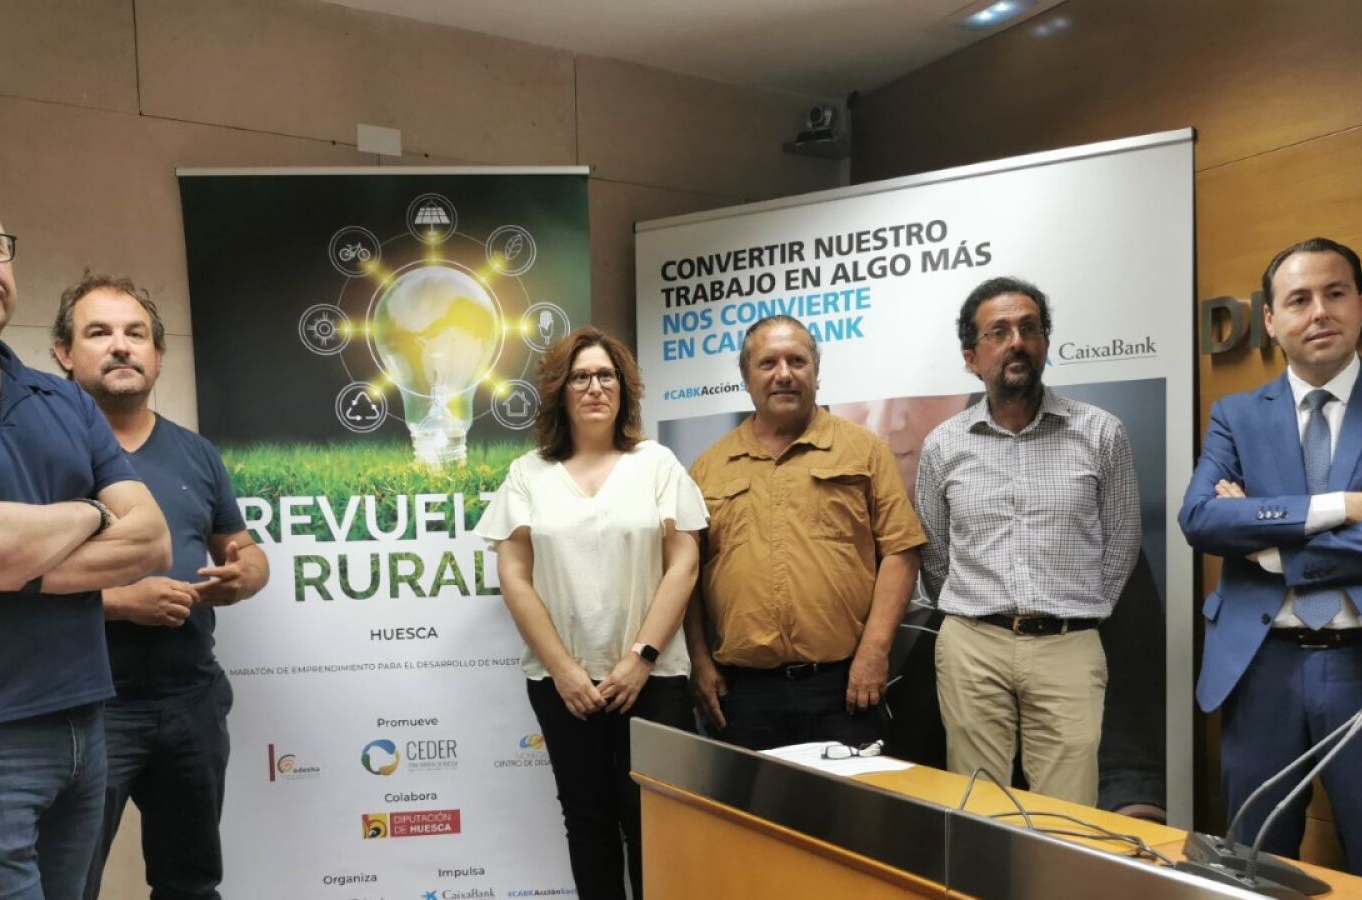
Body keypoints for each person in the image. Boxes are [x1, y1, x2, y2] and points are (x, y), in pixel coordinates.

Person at [0, 181, 171, 900]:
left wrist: (15, 558)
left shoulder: (62, 397)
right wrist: (94, 512)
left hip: (82, 720)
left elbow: (152, 541)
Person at [1178, 237, 1362, 891]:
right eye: (1299, 299)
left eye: (1335, 293)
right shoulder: (1235, 415)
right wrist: (1341, 506)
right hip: (1260, 668)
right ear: (1271, 319)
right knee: (1250, 862)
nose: (1319, 311)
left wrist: (1273, 547)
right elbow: (1201, 519)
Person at [49, 272, 269, 900]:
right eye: (99, 332)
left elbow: (246, 550)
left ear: (158, 355)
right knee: (67, 885)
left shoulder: (196, 453)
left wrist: (244, 576)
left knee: (191, 884)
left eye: (136, 333)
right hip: (86, 711)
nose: (121, 346)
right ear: (64, 353)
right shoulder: (40, 452)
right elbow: (7, 583)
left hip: (192, 702)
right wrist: (120, 604)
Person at [475, 325, 705, 900]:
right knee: (587, 821)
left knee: (652, 823)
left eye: (606, 375)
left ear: (624, 389)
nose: (595, 387)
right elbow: (514, 576)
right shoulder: (528, 474)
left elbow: (684, 564)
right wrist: (564, 670)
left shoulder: (657, 463)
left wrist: (640, 658)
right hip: (564, 685)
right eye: (580, 377)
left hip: (653, 678)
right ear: (560, 390)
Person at [915, 276, 1140, 806]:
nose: (1016, 342)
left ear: (1044, 343)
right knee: (977, 805)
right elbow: (934, 552)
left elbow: (1122, 541)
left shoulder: (1101, 432)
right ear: (971, 358)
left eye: (1029, 329)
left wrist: (1076, 610)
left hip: (1068, 642)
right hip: (973, 643)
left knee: (1068, 811)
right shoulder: (943, 444)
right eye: (998, 332)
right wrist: (976, 612)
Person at [686, 314, 925, 751]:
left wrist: (874, 652)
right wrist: (699, 662)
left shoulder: (865, 451)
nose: (784, 374)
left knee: (848, 799)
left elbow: (901, 551)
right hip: (741, 695)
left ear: (816, 372)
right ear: (746, 378)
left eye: (797, 361)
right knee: (748, 800)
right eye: (768, 363)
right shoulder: (708, 468)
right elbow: (689, 576)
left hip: (843, 687)